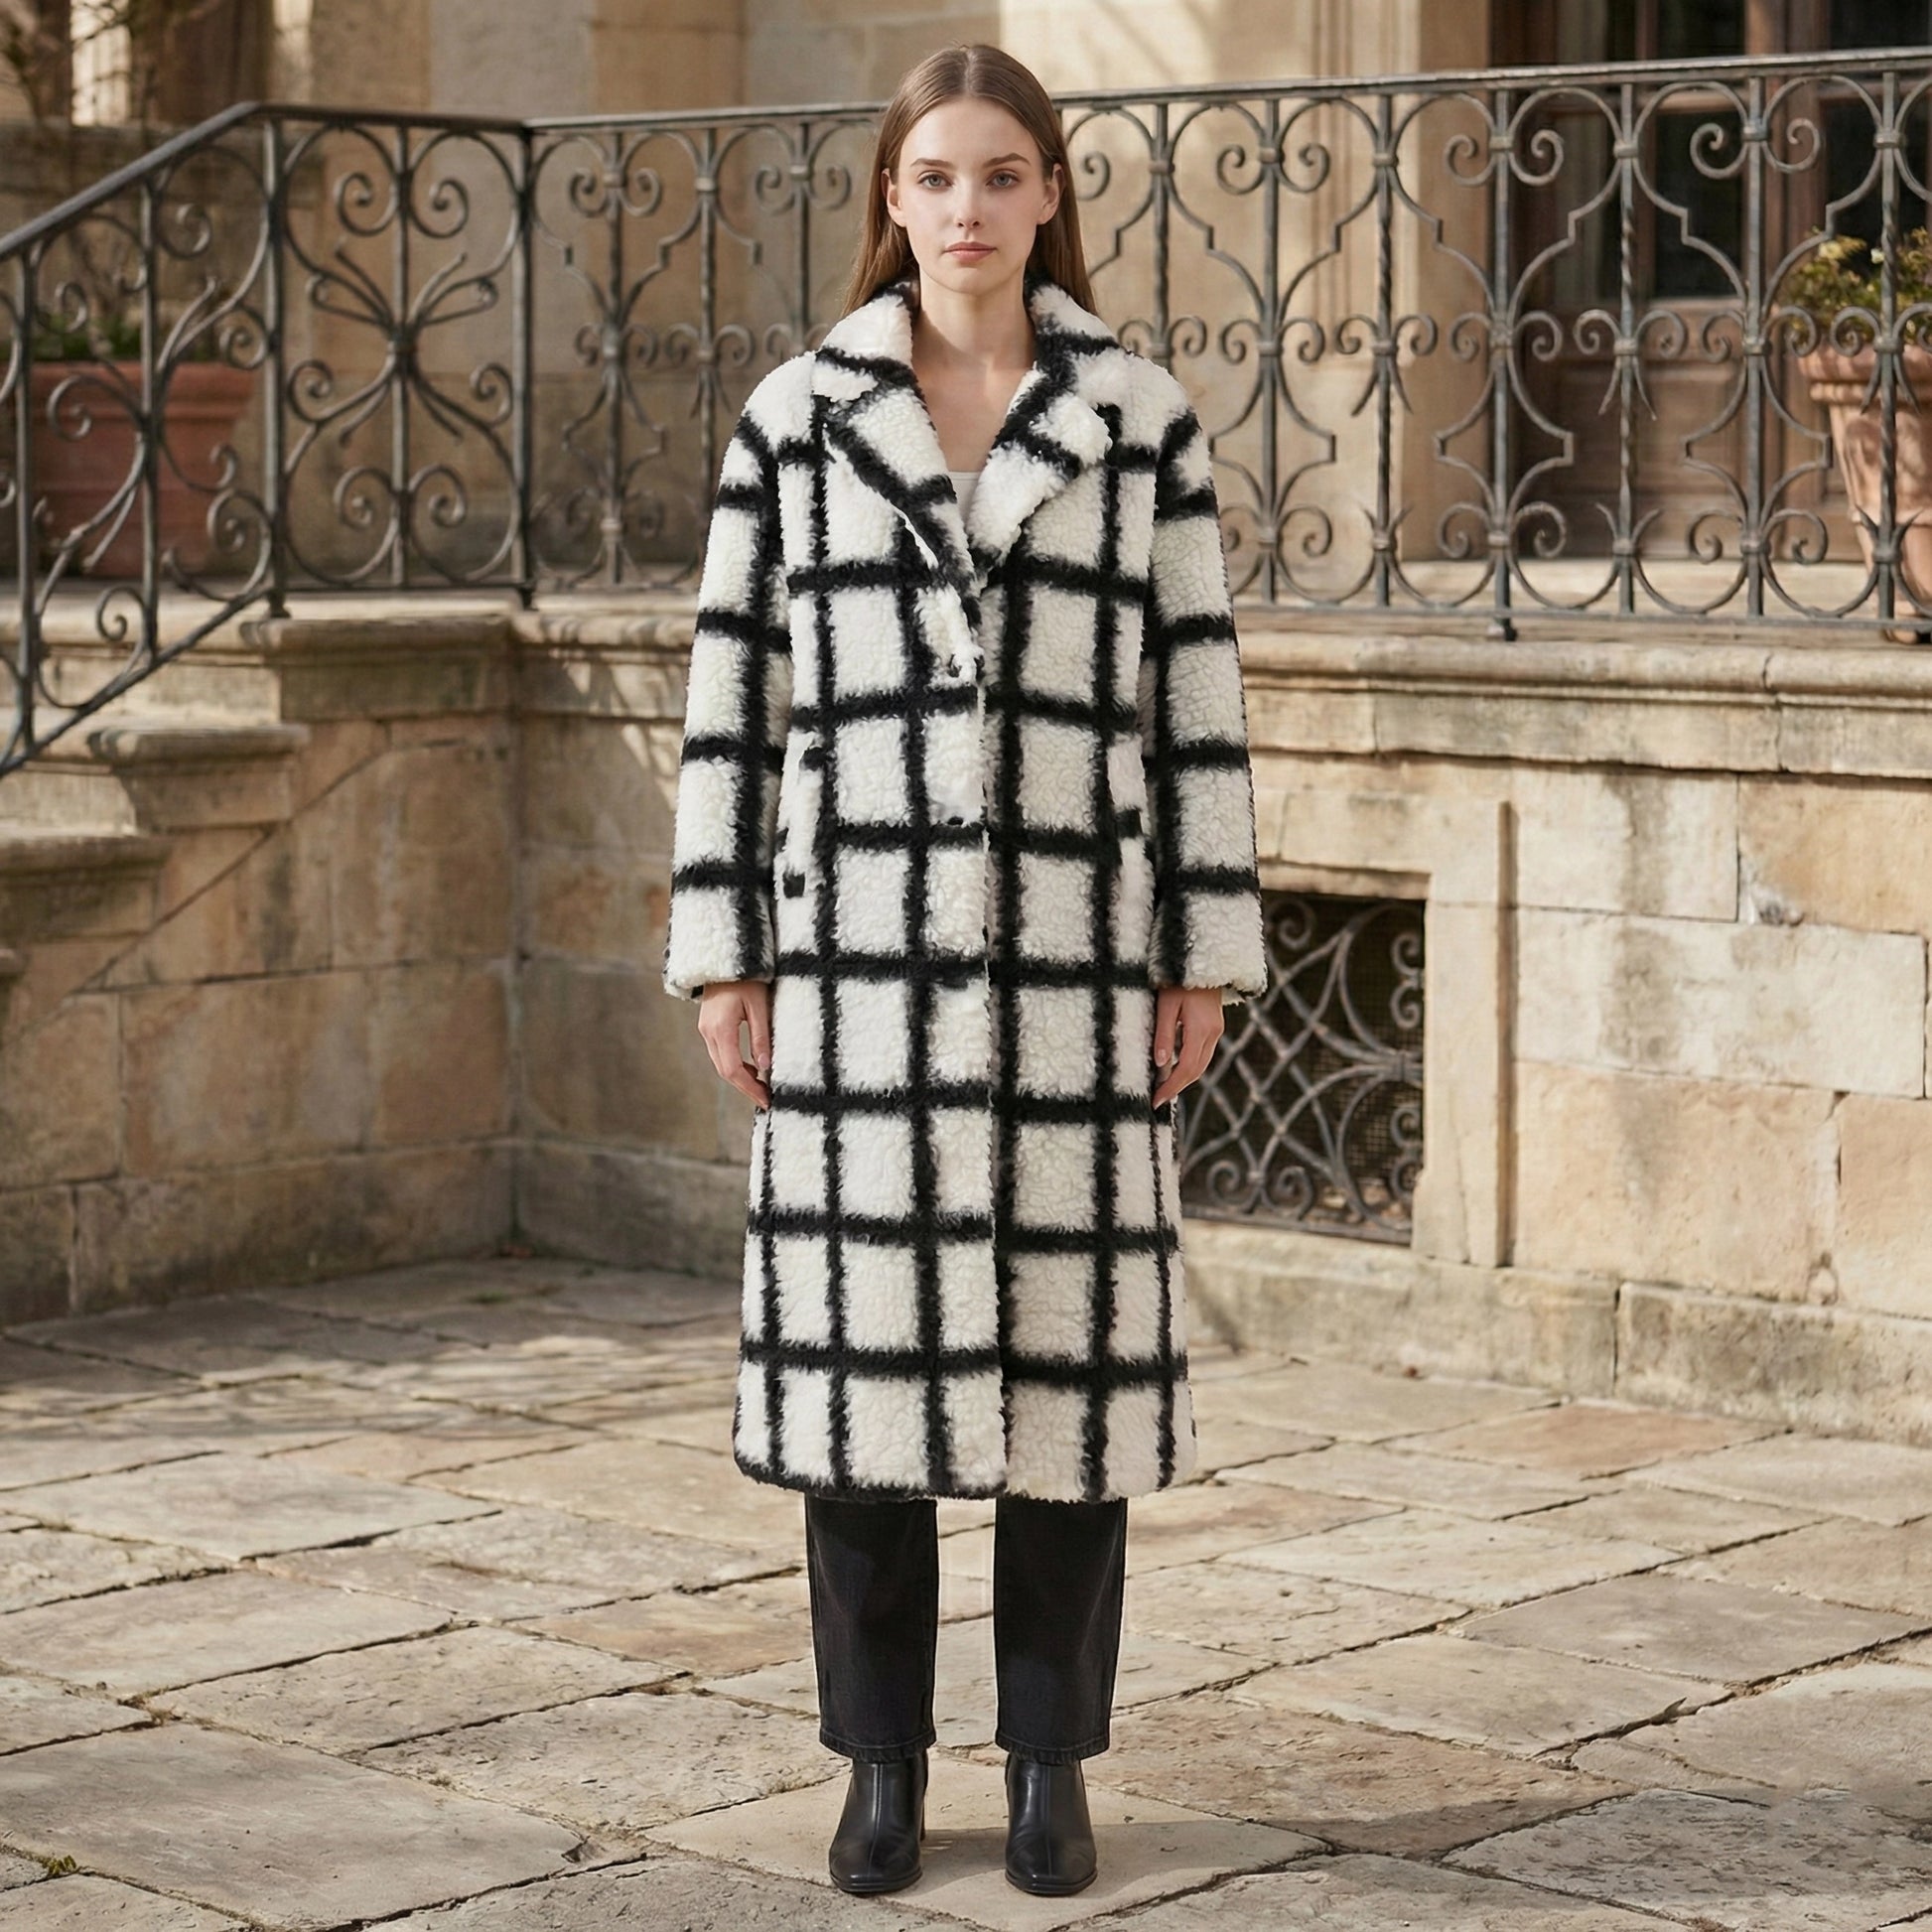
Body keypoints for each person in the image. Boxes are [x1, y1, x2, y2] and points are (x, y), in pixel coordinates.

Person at [662, 40, 1267, 1900]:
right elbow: (729, 707)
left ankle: (1049, 1771)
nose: (969, 209)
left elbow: (1196, 706)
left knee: (1066, 1393)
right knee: (864, 1391)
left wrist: (1203, 954)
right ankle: (876, 1768)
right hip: (853, 970)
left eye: (1003, 174)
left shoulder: (1134, 416)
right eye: (936, 176)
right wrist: (722, 950)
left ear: (1048, 195)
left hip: (1084, 967)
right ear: (889, 202)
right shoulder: (796, 417)